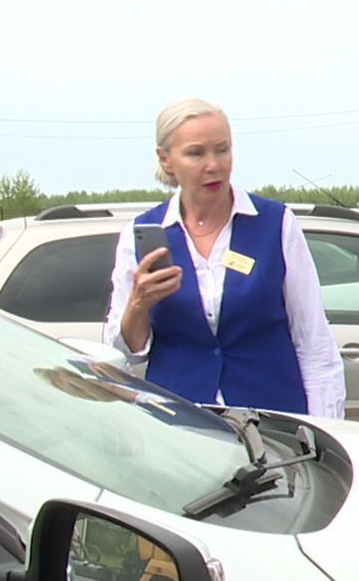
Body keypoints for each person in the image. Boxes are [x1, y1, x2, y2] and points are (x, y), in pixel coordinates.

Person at [103, 97, 345, 416]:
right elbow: (125, 353)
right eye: (195, 153)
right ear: (166, 159)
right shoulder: (141, 234)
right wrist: (139, 302)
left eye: (222, 149)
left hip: (272, 426)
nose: (213, 165)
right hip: (179, 426)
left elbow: (313, 343)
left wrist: (324, 430)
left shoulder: (275, 223)